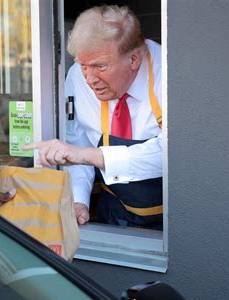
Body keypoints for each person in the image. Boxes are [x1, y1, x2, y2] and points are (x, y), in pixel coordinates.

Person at [23, 5, 163, 230]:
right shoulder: (77, 77)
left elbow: (172, 153)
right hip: (114, 212)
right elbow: (78, 143)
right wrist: (79, 200)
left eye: (100, 66)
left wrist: (86, 155)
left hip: (171, 222)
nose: (89, 78)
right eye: (83, 65)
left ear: (134, 59)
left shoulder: (167, 74)